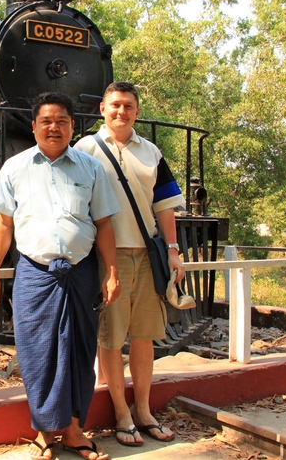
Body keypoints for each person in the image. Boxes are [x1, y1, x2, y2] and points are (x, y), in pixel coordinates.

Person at [0, 92, 121, 460]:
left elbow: (105, 224)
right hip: (35, 274)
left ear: (73, 126)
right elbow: (3, 224)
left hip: (82, 272)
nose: (54, 127)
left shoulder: (91, 169)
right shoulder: (15, 167)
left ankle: (75, 430)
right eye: (46, 121)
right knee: (36, 352)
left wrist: (112, 273)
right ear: (34, 126)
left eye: (61, 121)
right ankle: (44, 432)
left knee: (80, 350)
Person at [74, 81, 186, 446]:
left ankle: (143, 409)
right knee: (111, 336)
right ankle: (121, 413)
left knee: (144, 335)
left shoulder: (151, 152)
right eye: (115, 105)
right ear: (103, 109)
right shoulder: (85, 147)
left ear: (137, 112)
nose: (122, 112)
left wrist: (172, 249)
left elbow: (165, 205)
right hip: (107, 256)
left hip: (146, 254)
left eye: (129, 106)